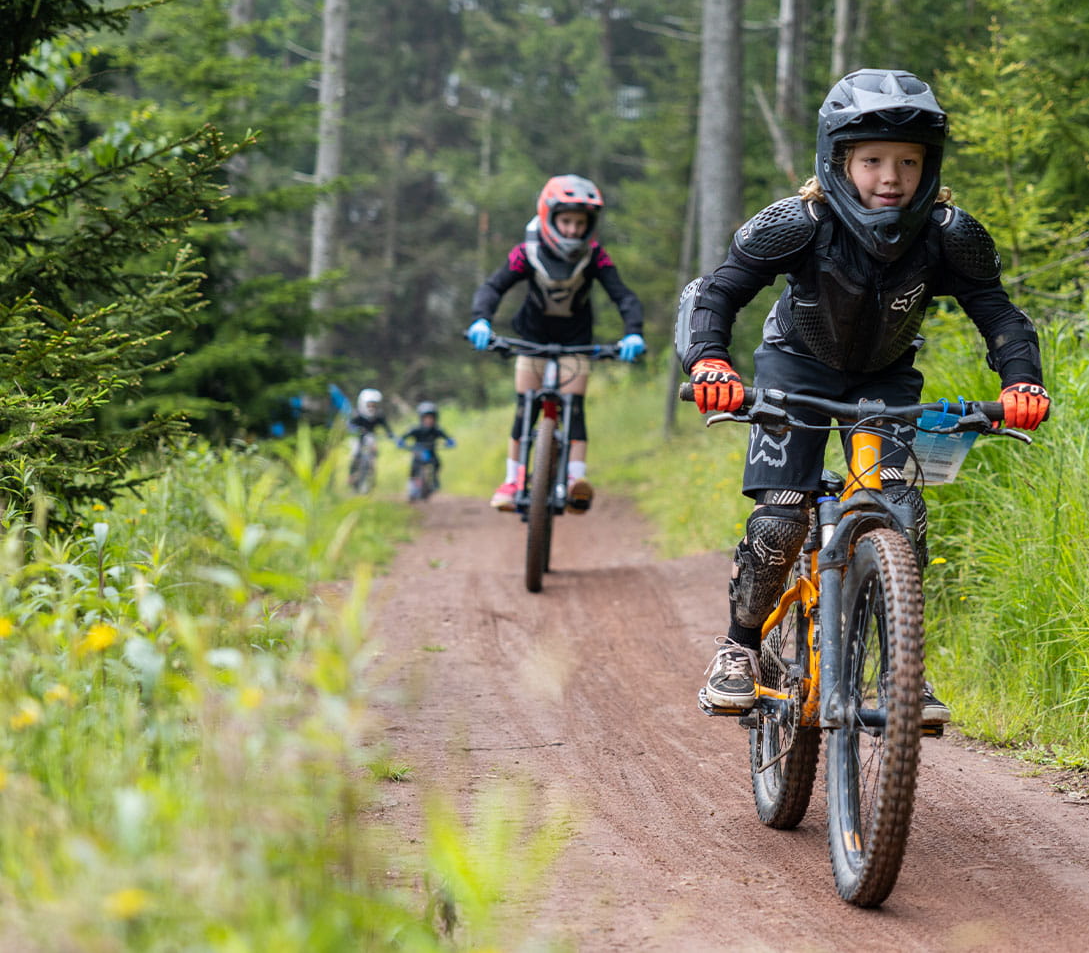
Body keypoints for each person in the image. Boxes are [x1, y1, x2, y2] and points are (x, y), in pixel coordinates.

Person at [679, 68, 1051, 725]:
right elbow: (718, 292)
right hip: (795, 371)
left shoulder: (947, 234)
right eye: (873, 159)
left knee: (900, 511)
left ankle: (904, 674)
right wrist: (710, 362)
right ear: (837, 160)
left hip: (885, 381)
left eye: (908, 162)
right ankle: (739, 649)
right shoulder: (798, 223)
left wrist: (1020, 382)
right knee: (781, 518)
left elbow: (998, 313)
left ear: (929, 165)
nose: (891, 177)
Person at [466, 174, 646, 513]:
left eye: (580, 223)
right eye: (566, 221)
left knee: (574, 407)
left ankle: (576, 480)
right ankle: (513, 479)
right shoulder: (526, 252)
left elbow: (624, 297)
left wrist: (632, 331)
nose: (573, 230)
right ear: (549, 217)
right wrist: (481, 319)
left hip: (576, 342)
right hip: (531, 339)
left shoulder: (595, 257)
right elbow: (493, 287)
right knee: (525, 406)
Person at [395, 401, 457, 498]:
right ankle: (412, 488)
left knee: (437, 464)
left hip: (432, 452)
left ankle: (434, 480)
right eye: (426, 418)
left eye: (431, 418)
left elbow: (448, 438)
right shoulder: (415, 429)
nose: (429, 420)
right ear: (421, 418)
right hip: (418, 452)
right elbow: (403, 437)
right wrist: (401, 442)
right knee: (414, 468)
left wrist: (450, 442)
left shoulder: (437, 430)